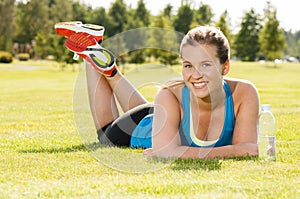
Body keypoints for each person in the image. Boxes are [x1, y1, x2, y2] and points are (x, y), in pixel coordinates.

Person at [56, 22, 259, 159]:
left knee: (151, 110)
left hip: (160, 115)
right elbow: (166, 151)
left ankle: (106, 64)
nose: (195, 74)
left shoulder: (244, 93)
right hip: (138, 128)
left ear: (226, 66)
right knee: (104, 135)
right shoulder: (171, 93)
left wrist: (177, 152)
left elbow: (249, 149)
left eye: (206, 65)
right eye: (188, 65)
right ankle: (92, 52)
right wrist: (232, 151)